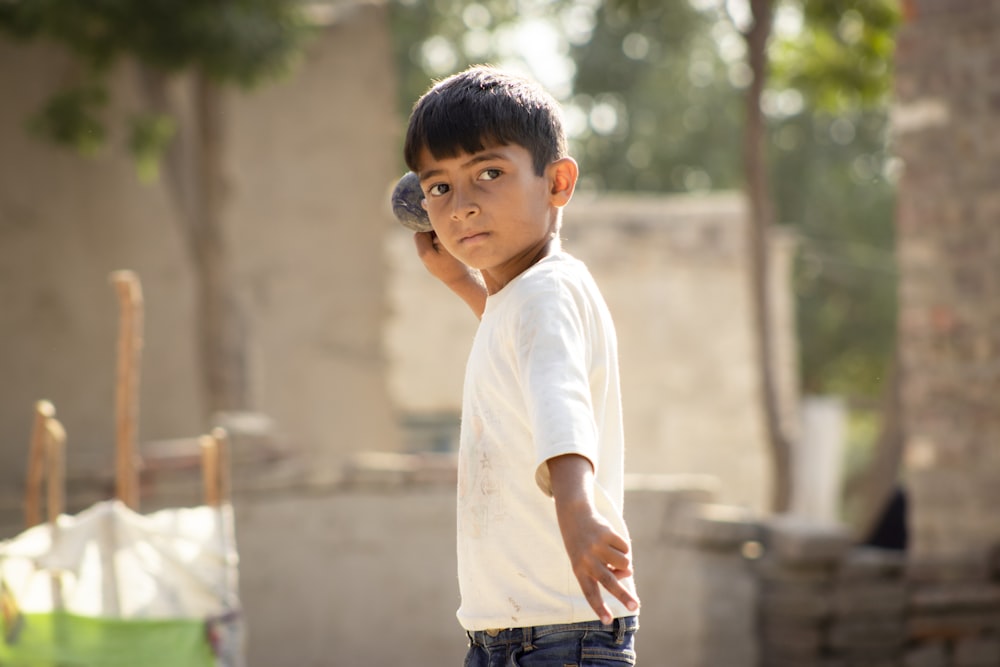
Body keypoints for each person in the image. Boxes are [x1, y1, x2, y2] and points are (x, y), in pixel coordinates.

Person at [404, 64, 640, 666]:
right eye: (439, 188)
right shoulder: (526, 298)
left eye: (489, 173)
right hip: (514, 632)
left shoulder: (546, 293)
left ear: (557, 182)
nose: (463, 206)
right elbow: (519, 349)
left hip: (559, 637)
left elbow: (559, 397)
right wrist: (460, 281)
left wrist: (578, 507)